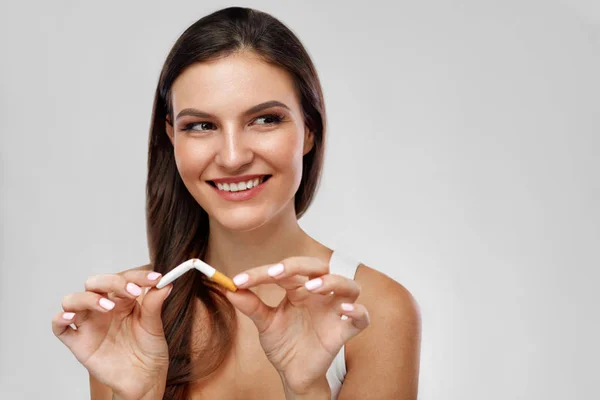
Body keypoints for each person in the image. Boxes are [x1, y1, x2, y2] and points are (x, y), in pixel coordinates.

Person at [51, 6, 421, 400]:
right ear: (172, 137)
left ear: (309, 131)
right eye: (201, 126)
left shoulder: (372, 311)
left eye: (264, 120)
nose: (232, 157)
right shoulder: (127, 315)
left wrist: (308, 391)